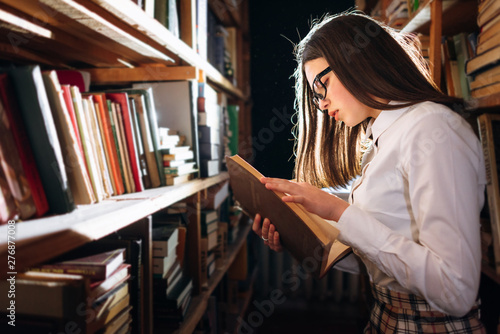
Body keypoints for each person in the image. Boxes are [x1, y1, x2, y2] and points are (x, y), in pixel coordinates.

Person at [252, 11, 487, 333]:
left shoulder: (432, 130)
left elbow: (455, 290)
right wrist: (299, 235)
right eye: (315, 95)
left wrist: (339, 211)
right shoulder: (384, 136)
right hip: (387, 315)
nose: (321, 104)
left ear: (359, 60)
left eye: (322, 85)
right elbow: (384, 260)